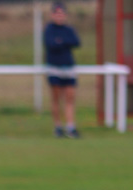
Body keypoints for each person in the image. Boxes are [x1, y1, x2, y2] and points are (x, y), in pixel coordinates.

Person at [43, 1, 81, 138]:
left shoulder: (68, 29)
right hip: (54, 67)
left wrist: (61, 41)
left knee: (70, 97)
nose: (59, 16)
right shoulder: (49, 29)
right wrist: (63, 42)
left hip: (68, 67)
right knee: (56, 97)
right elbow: (51, 44)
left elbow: (76, 42)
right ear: (53, 14)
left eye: (62, 13)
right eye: (57, 13)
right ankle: (58, 127)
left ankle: (71, 127)